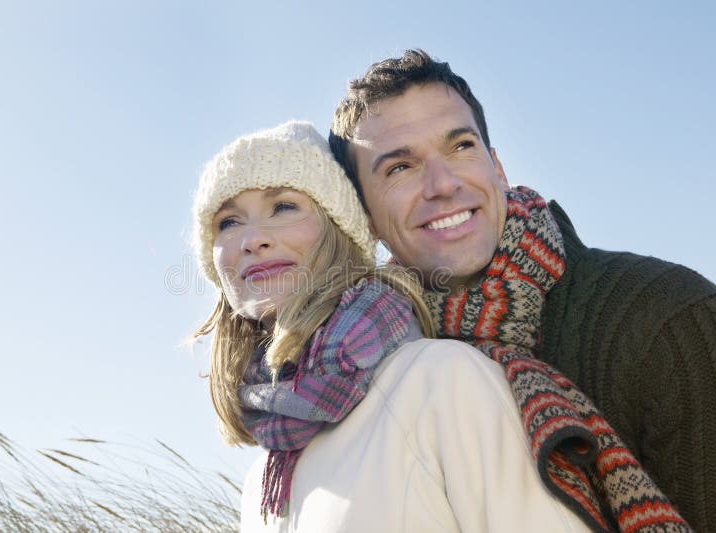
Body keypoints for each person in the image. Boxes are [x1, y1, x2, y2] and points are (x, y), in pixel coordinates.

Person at [329, 49, 715, 532]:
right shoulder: (371, 374)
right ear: (365, 219)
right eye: (399, 168)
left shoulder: (668, 317)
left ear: (498, 167)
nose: (443, 184)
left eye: (461, 146)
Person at [191, 121, 596, 532]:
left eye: (284, 207)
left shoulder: (444, 381)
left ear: (339, 229)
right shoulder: (264, 475)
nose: (253, 238)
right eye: (228, 222)